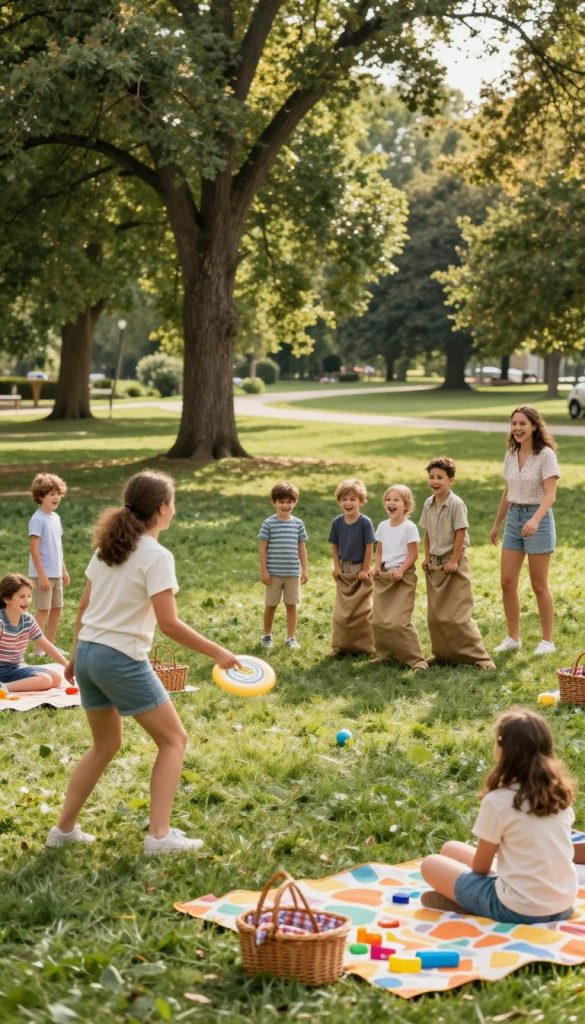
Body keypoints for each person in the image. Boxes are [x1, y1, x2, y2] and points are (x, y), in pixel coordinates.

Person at [46, 470, 240, 854]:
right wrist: (218, 652)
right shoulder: (156, 556)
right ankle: (159, 836)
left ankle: (62, 831)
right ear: (163, 508)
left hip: (88, 653)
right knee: (173, 740)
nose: (174, 508)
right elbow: (169, 624)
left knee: (105, 744)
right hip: (118, 659)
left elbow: (85, 606)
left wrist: (74, 654)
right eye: (174, 502)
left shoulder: (108, 548)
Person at [421, 708, 577, 923]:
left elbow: (480, 867)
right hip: (563, 905)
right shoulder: (559, 795)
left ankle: (471, 908)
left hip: (519, 910)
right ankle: (467, 902)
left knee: (431, 864)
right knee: (450, 848)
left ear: (503, 748)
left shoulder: (499, 801)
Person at [490, 406, 560, 655]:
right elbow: (508, 492)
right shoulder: (511, 454)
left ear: (533, 426)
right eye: (514, 424)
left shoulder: (546, 455)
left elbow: (550, 494)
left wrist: (536, 520)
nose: (518, 428)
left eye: (523, 423)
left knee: (539, 584)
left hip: (537, 518)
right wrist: (498, 523)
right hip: (514, 519)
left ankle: (547, 641)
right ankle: (513, 638)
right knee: (507, 582)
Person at [419, 457, 495, 669]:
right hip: (435, 565)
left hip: (454, 565)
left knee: (457, 615)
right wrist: (426, 556)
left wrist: (453, 560)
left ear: (451, 480)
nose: (435, 481)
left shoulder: (456, 504)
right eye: (432, 477)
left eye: (440, 477)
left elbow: (461, 533)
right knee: (436, 616)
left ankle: (480, 658)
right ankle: (443, 653)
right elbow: (427, 533)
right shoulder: (428, 503)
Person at [371, 485, 427, 669]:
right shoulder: (382, 526)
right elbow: (379, 551)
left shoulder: (409, 527)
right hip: (385, 577)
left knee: (398, 621)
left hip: (403, 578)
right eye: (388, 499)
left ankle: (416, 659)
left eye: (396, 500)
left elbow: (413, 555)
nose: (391, 503)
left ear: (406, 505)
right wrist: (377, 566)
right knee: (379, 620)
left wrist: (401, 570)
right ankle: (384, 654)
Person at [328, 478, 375, 656]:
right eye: (344, 499)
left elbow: (370, 546)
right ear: (340, 501)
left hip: (360, 571)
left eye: (353, 499)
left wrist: (365, 569)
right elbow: (335, 545)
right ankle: (340, 646)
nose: (348, 503)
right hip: (344, 570)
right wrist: (336, 566)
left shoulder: (365, 523)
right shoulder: (337, 523)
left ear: (361, 502)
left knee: (361, 612)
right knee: (341, 613)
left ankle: (365, 647)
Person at [258, 481, 308, 650]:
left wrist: (305, 570)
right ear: (274, 503)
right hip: (273, 574)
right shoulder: (269, 523)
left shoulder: (298, 524)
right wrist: (264, 571)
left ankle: (291, 638)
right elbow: (263, 548)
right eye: (281, 501)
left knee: (291, 605)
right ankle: (266, 635)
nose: (286, 505)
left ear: (295, 502)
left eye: (289, 502)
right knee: (271, 605)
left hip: (292, 573)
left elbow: (302, 548)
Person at [0, 573, 68, 693]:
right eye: (21, 596)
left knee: (56, 679)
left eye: (29, 596)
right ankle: (5, 688)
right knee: (45, 680)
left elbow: (46, 645)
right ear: (6, 599)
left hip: (16, 668)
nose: (27, 601)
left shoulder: (27, 620)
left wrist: (67, 666)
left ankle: (5, 685)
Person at [28, 472, 70, 656]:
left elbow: (58, 547)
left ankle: (50, 647)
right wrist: (42, 575)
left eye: (57, 493)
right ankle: (38, 650)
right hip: (43, 574)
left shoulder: (56, 518)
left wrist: (64, 569)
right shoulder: (38, 519)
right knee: (43, 610)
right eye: (51, 494)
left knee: (56, 608)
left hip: (56, 573)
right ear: (40, 497)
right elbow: (34, 550)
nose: (55, 497)